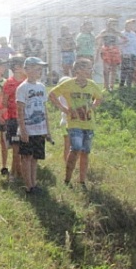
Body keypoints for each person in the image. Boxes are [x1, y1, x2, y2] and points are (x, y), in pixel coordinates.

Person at [49, 58, 104, 189]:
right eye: (88, 68)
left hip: (89, 124)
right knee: (76, 148)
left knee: (85, 152)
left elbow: (99, 97)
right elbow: (52, 94)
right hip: (74, 123)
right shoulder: (69, 84)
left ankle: (82, 181)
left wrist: (93, 106)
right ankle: (67, 179)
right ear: (78, 70)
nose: (90, 70)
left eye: (91, 68)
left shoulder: (92, 84)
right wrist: (63, 108)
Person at [15, 57, 50, 194]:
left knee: (35, 157)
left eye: (40, 69)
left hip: (39, 129)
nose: (39, 72)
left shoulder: (41, 87)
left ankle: (34, 184)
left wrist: (47, 129)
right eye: (36, 69)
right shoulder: (22, 88)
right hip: (28, 129)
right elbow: (20, 110)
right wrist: (23, 130)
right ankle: (28, 186)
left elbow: (44, 108)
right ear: (27, 70)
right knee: (26, 157)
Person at [3, 55, 27, 180]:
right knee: (16, 146)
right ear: (17, 68)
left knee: (25, 147)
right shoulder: (9, 83)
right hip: (13, 121)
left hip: (27, 120)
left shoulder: (28, 81)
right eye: (25, 65)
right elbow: (5, 102)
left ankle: (21, 171)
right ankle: (14, 172)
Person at [96, 18, 125, 91]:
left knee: (114, 69)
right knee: (106, 69)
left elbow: (125, 39)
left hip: (114, 50)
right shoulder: (104, 31)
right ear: (108, 24)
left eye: (115, 24)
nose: (113, 25)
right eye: (112, 24)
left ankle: (111, 85)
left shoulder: (116, 32)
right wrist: (99, 50)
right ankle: (106, 86)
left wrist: (117, 44)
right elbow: (97, 39)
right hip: (106, 50)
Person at [119, 19, 136, 88]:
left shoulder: (134, 34)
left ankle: (129, 84)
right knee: (124, 70)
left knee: (131, 69)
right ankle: (122, 84)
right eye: (129, 24)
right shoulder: (122, 33)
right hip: (125, 54)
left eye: (132, 25)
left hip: (133, 54)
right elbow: (119, 44)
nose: (131, 26)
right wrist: (121, 53)